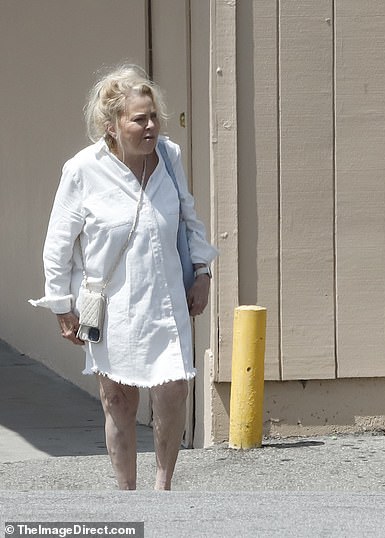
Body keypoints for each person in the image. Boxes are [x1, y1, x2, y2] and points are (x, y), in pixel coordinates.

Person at [30, 65, 218, 490]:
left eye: (153, 116)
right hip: (112, 307)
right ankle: (125, 496)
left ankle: (163, 488)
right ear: (112, 126)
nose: (151, 126)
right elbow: (58, 242)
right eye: (139, 119)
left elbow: (189, 218)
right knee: (118, 401)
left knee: (172, 393)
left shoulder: (169, 157)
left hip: (167, 300)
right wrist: (61, 305)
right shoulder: (83, 170)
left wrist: (202, 272)